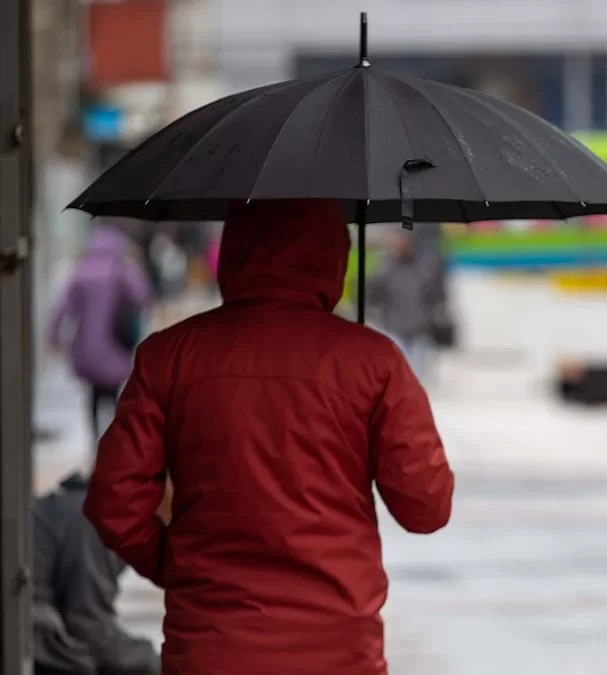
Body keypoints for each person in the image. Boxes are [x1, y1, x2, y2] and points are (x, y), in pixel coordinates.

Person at [83, 199, 456, 675]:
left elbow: (114, 501)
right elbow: (426, 507)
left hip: (210, 647)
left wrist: (178, 568)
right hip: (338, 651)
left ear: (235, 250)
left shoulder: (169, 356)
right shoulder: (373, 362)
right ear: (333, 255)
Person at [33, 472, 163, 675]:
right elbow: (90, 629)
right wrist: (157, 663)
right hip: (25, 634)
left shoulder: (88, 511)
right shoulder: (98, 522)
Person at [48, 219, 152, 443]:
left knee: (93, 393)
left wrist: (53, 336)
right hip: (114, 342)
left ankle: (95, 438)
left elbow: (65, 307)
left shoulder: (81, 270)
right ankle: (112, 440)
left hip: (86, 344)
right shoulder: (123, 270)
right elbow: (143, 297)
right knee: (113, 392)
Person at [366, 229, 441, 383]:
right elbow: (374, 293)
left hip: (420, 326)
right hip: (394, 325)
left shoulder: (425, 266)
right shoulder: (386, 267)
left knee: (418, 375)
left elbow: (435, 293)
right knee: (400, 372)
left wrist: (433, 313)